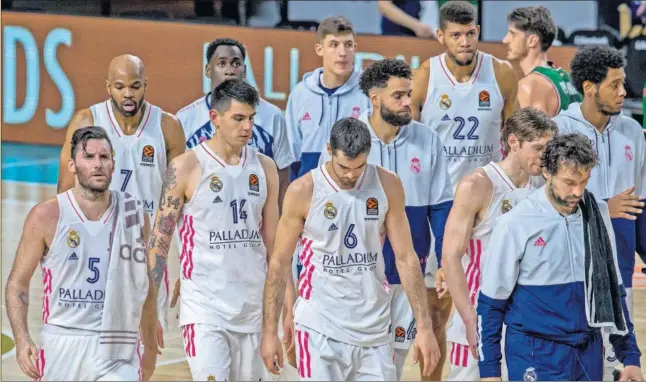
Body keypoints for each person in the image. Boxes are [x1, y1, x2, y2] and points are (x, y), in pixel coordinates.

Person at [260, 117, 441, 381]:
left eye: (359, 167)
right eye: (344, 166)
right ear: (329, 150)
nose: (350, 175)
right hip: (319, 327)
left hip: (375, 328)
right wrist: (269, 333)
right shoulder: (304, 191)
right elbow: (279, 262)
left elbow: (406, 258)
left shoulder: (387, 185)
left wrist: (424, 327)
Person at [315, 58, 453, 380]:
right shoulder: (349, 142)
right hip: (359, 278)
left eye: (409, 94)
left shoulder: (428, 139)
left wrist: (446, 257)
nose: (408, 102)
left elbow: (441, 206)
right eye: (398, 96)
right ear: (375, 98)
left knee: (392, 363)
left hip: (408, 275)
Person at [143, 79, 286, 381]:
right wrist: (151, 312)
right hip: (205, 310)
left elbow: (276, 251)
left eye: (251, 118)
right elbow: (158, 244)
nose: (247, 127)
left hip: (253, 310)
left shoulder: (266, 168)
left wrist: (285, 313)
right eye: (238, 118)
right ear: (215, 118)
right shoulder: (185, 168)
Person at [476, 133, 643, 381]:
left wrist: (629, 357)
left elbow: (612, 290)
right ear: (547, 173)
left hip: (589, 350)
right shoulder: (515, 223)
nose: (577, 192)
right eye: (568, 182)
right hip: (535, 353)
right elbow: (490, 304)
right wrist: (489, 371)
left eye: (584, 182)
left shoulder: (597, 213)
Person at [410, 2, 519, 378]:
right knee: (438, 309)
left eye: (470, 33)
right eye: (455, 34)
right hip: (441, 204)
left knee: (499, 297)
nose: (465, 41)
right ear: (440, 36)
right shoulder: (425, 76)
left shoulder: (502, 74)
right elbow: (410, 139)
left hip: (489, 204)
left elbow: (516, 136)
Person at [5, 126, 158, 381]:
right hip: (62, 342)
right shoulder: (47, 216)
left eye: (104, 157)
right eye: (89, 157)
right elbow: (17, 285)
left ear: (113, 163)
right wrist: (22, 340)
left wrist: (150, 343)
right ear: (72, 164)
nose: (97, 164)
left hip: (117, 344)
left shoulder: (134, 215)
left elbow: (145, 285)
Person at [56, 54, 186, 345]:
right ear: (108, 87)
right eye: (120, 86)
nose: (128, 93)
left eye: (135, 85)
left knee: (144, 345)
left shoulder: (168, 127)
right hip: (98, 245)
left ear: (146, 86)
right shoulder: (87, 120)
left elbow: (183, 199)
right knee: (93, 339)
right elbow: (65, 190)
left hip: (148, 250)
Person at [441, 107, 558, 380]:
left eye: (549, 148)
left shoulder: (543, 187)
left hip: (523, 320)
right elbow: (450, 258)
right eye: (538, 147)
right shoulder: (477, 185)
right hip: (479, 313)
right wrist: (470, 320)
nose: (546, 156)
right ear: (514, 142)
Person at [553, 45, 646, 380]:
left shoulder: (633, 132)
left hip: (619, 271)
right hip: (570, 272)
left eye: (624, 84)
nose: (624, 92)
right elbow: (547, 206)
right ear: (589, 88)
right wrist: (606, 207)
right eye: (614, 85)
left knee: (617, 365)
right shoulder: (558, 130)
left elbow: (641, 204)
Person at [176, 37, 294, 208]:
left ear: (244, 70)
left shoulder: (272, 116)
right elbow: (176, 178)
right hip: (202, 221)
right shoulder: (185, 118)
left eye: (236, 63)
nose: (229, 70)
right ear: (208, 70)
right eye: (222, 63)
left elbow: (283, 178)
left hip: (256, 219)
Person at [285, 15, 370, 181]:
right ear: (319, 49)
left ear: (355, 48)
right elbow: (291, 155)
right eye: (334, 45)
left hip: (355, 192)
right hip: (308, 194)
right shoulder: (300, 94)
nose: (342, 53)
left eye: (348, 45)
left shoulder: (367, 92)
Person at [502, 6, 582, 117]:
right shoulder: (566, 77)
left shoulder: (529, 86)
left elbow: (529, 134)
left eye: (512, 33)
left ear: (532, 41)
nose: (505, 40)